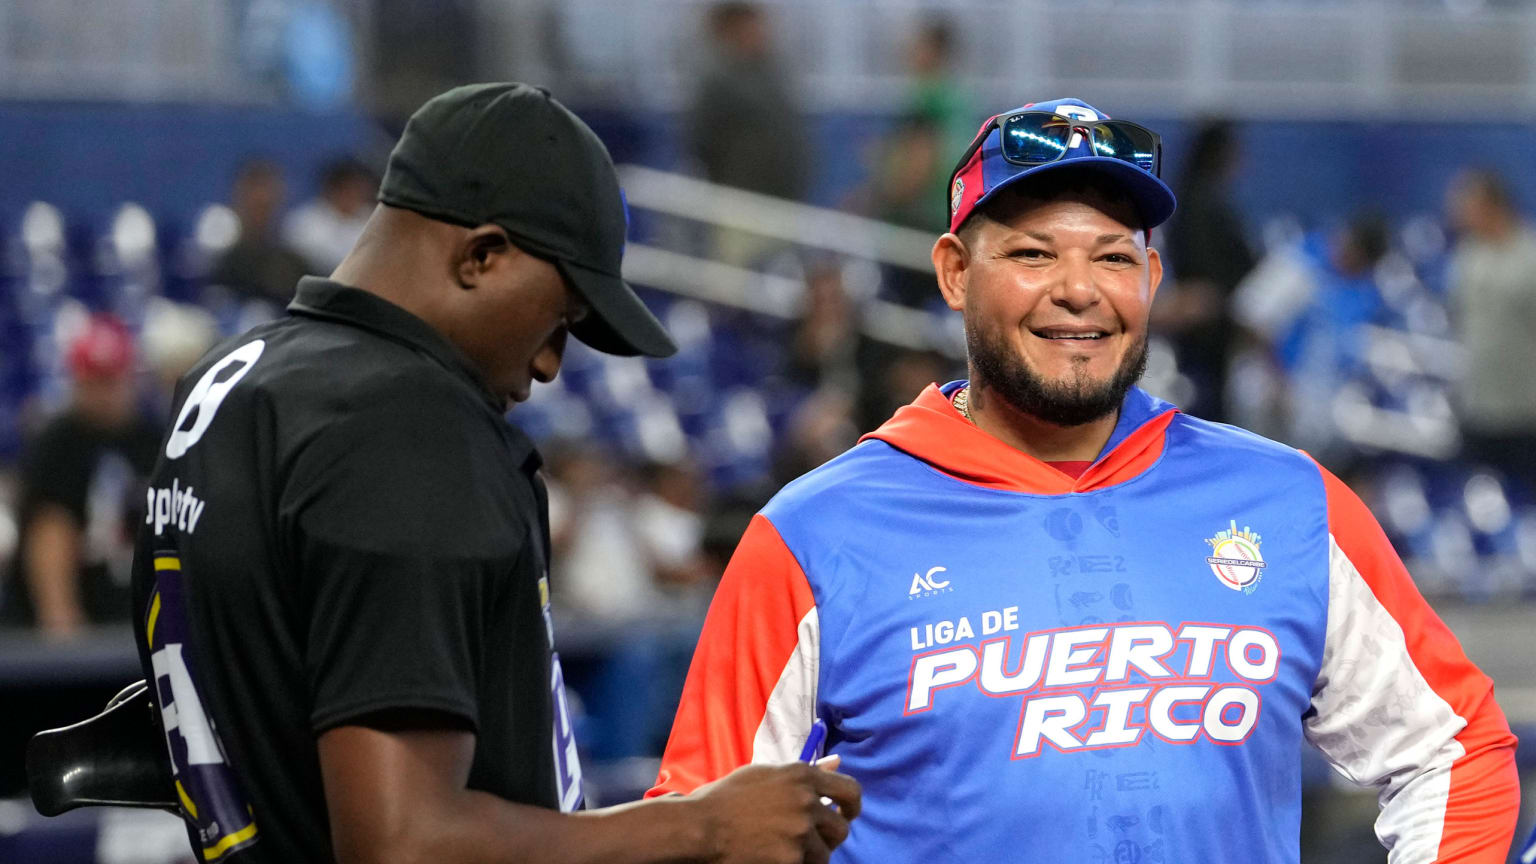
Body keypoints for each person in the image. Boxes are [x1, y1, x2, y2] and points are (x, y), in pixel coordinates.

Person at [648, 99, 1519, 862]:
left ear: (1152, 279)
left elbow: (1452, 751)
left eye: (1112, 258)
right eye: (1033, 254)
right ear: (955, 273)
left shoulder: (1288, 503)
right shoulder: (814, 536)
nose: (1078, 291)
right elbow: (701, 826)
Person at [130, 83, 859, 864]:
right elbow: (403, 845)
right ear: (481, 256)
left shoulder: (234, 376)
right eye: (561, 318)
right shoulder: (403, 424)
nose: (549, 364)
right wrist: (705, 827)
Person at [3, 315, 160, 635]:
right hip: (85, 623)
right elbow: (50, 533)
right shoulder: (59, 443)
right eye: (93, 380)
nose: (103, 394)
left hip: (139, 615)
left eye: (111, 380)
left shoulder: (153, 438)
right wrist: (63, 623)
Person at [1158, 118, 1256, 422]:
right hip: (1201, 328)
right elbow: (1204, 280)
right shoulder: (1198, 204)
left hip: (1216, 327)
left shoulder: (1204, 200)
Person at [1445, 168, 1536, 492]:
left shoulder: (1529, 256)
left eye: (1466, 204)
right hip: (1477, 409)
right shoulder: (1466, 256)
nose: (1458, 212)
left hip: (1524, 413)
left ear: (1492, 205)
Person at [207, 159, 313, 305]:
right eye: (255, 203)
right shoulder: (217, 254)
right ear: (239, 195)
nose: (262, 202)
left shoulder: (291, 258)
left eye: (266, 205)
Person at [281, 157, 378, 275]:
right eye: (349, 189)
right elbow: (307, 261)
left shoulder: (375, 220)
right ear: (333, 189)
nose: (355, 195)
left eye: (361, 190)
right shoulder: (304, 221)